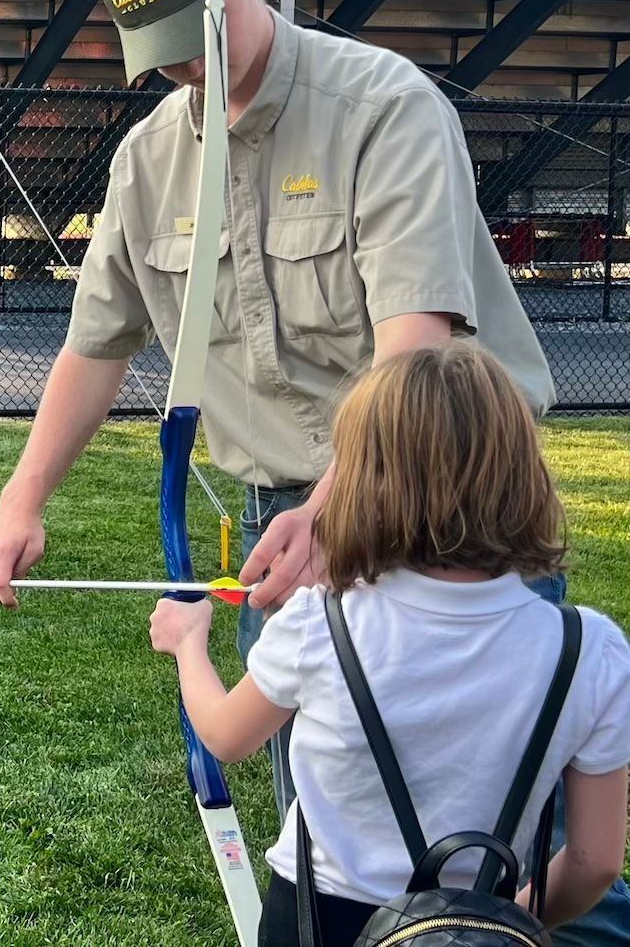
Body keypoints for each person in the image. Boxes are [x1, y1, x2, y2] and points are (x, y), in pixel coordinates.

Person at [0, 0, 630, 940]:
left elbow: (416, 344)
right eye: (159, 51)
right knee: (331, 830)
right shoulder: (147, 159)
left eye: (196, 31)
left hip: (457, 500)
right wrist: (21, 498)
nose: (187, 69)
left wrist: (336, 511)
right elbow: (95, 346)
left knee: (519, 825)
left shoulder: (384, 104)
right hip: (287, 504)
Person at [148, 342, 630, 943]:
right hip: (485, 923)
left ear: (367, 484)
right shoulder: (591, 649)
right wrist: (493, 924)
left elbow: (222, 735)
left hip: (316, 922)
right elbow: (595, 861)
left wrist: (188, 643)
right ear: (523, 473)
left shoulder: (318, 622)